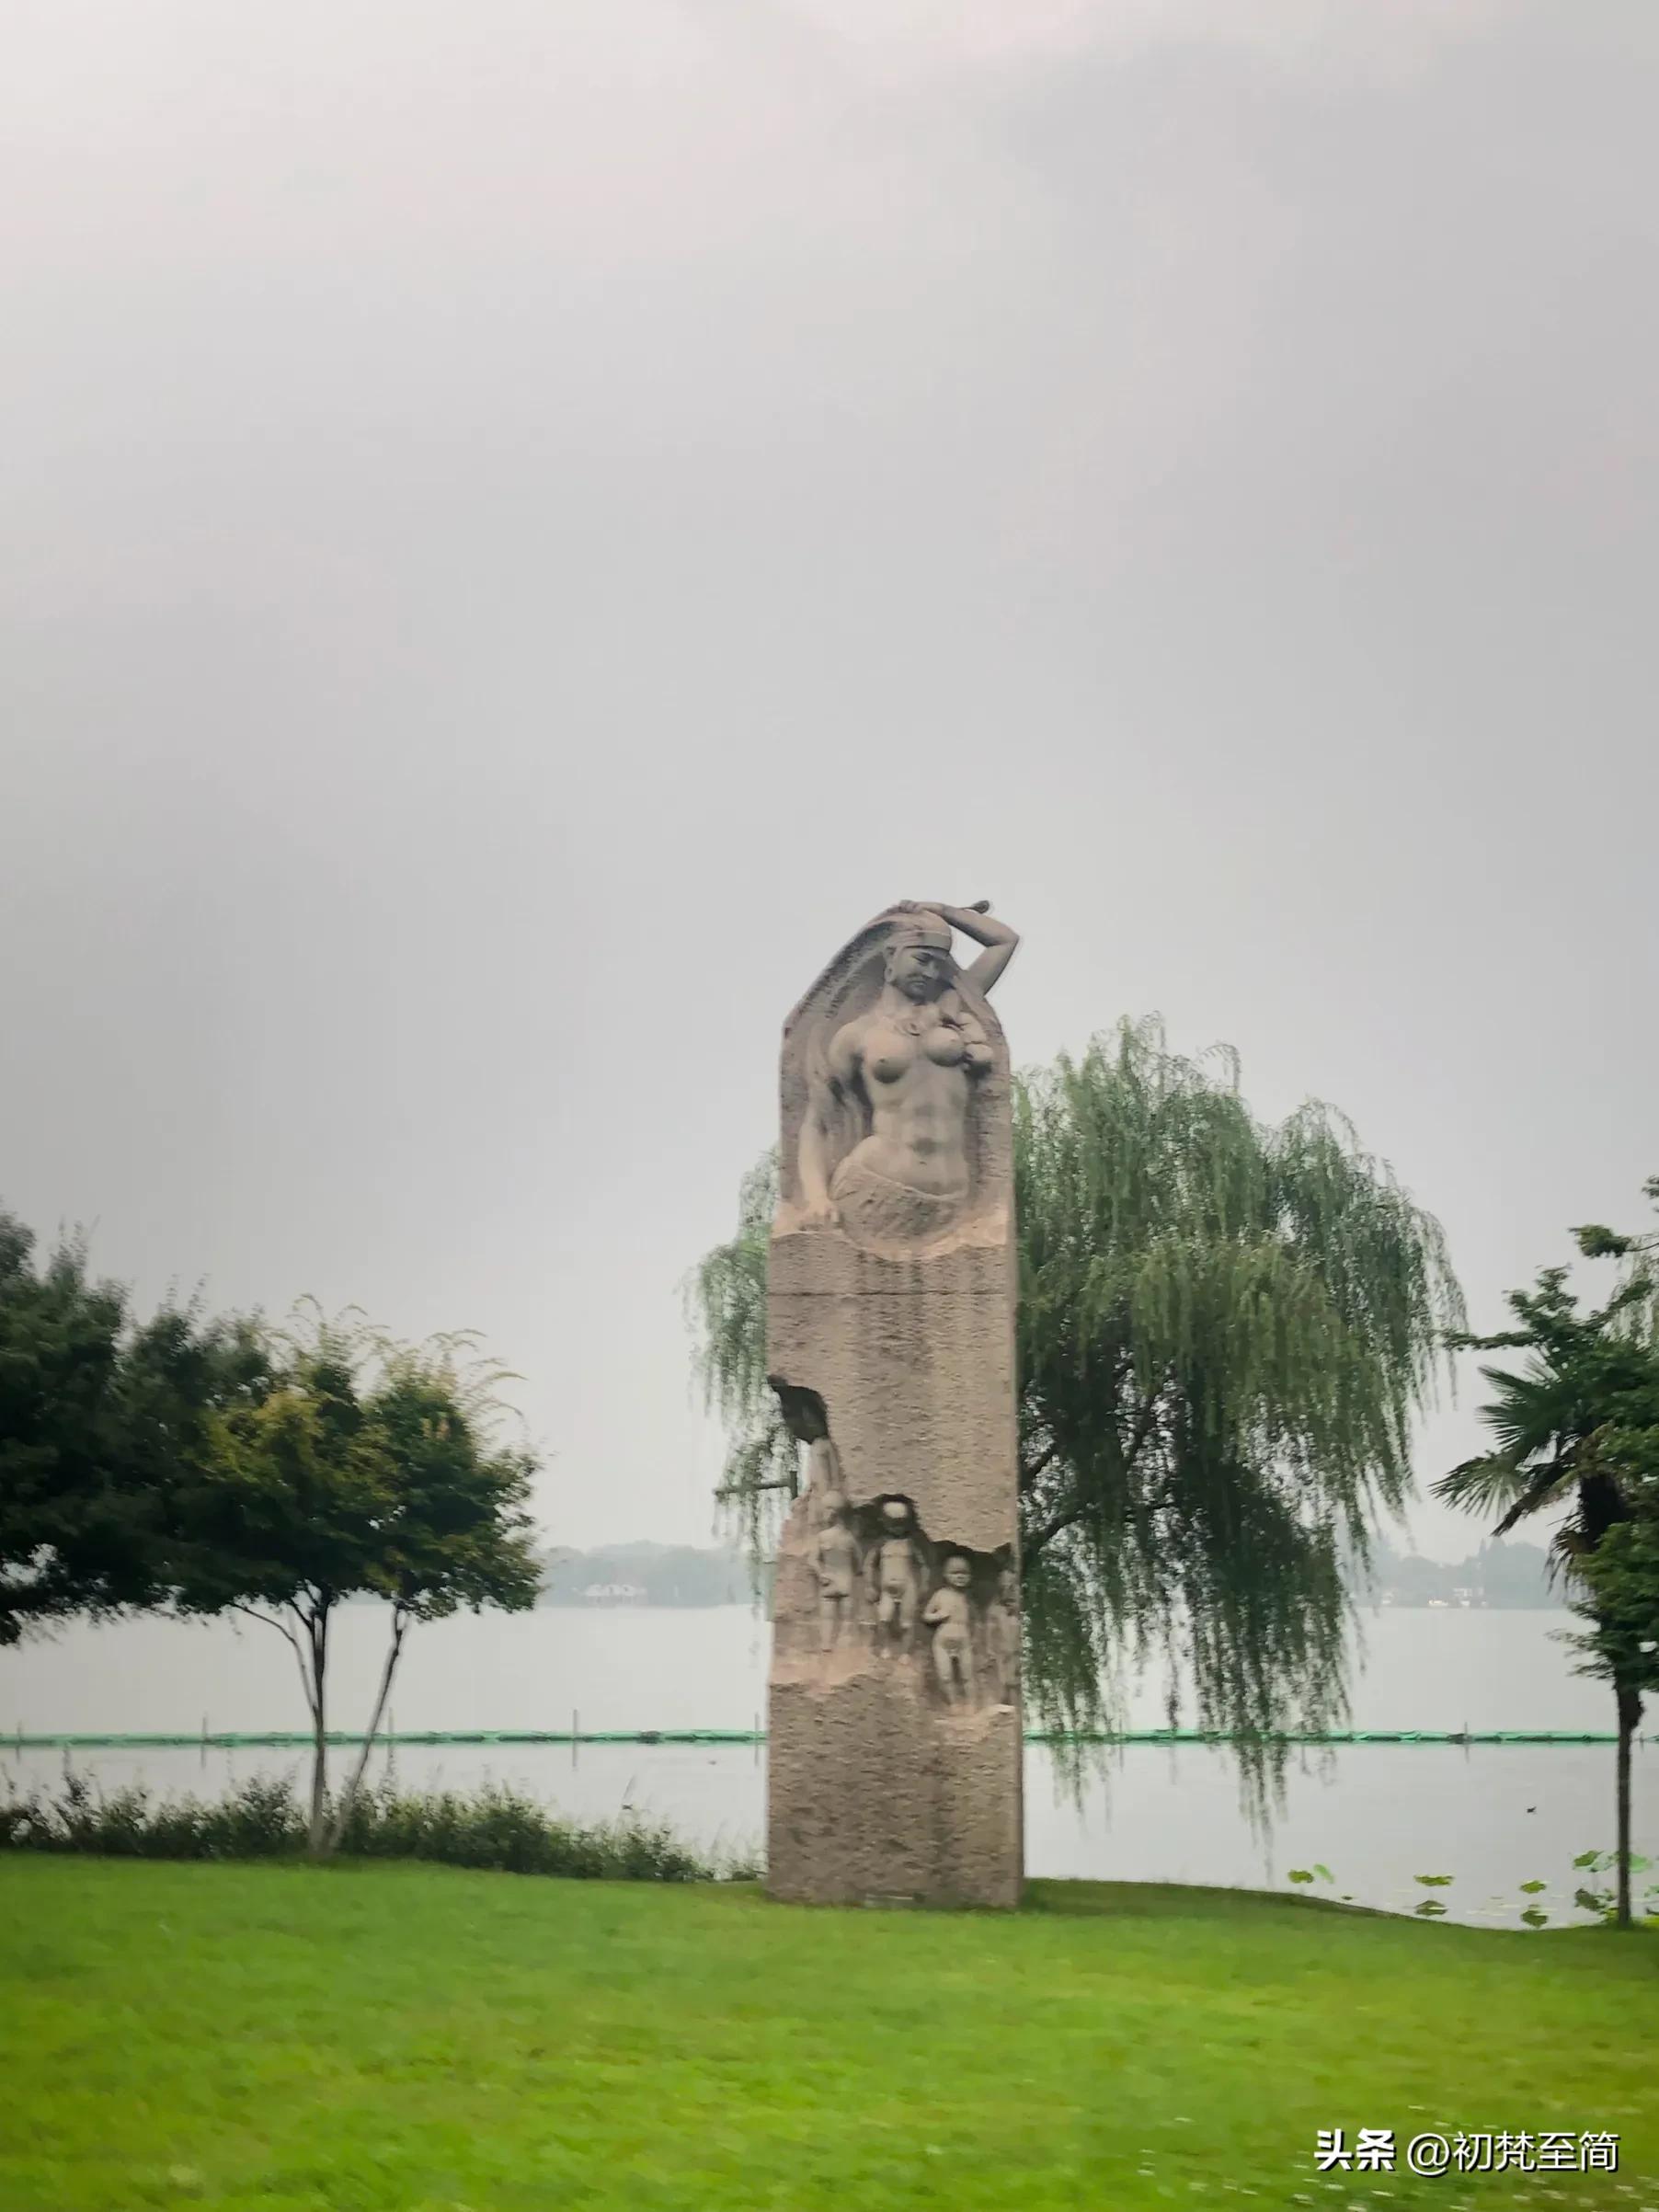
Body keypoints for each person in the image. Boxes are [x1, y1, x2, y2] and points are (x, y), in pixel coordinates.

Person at [797, 900, 1019, 1247]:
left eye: (938, 963)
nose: (930, 972)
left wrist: (941, 911)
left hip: (952, 1200)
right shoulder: (857, 1035)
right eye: (921, 959)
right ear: (891, 956)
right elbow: (818, 1122)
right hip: (874, 1187)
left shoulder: (951, 1008)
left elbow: (1004, 941)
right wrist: (816, 1198)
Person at [923, 1555, 978, 1705]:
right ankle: (953, 1704)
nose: (960, 1577)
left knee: (967, 1676)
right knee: (945, 1676)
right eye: (955, 1573)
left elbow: (976, 1620)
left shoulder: (968, 1597)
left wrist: (976, 1637)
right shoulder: (940, 1594)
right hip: (942, 1640)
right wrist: (939, 1615)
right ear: (946, 1575)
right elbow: (926, 1616)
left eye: (964, 1573)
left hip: (963, 1640)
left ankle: (971, 1704)